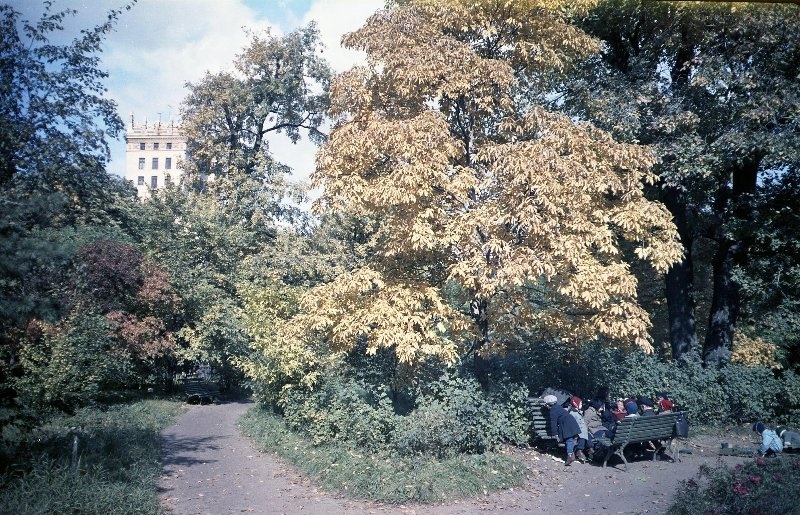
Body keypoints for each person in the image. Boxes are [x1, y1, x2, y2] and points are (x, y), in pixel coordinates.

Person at [543, 394, 585, 466]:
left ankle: (570, 455)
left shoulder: (552, 411)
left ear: (548, 405)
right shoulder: (559, 407)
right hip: (572, 421)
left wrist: (555, 433)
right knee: (572, 439)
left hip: (566, 424)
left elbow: (553, 423)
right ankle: (573, 453)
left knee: (569, 440)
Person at [568, 396, 592, 461]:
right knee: (582, 437)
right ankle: (579, 450)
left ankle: (590, 448)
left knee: (588, 436)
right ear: (576, 404)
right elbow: (573, 424)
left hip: (582, 431)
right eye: (580, 404)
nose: (582, 405)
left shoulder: (578, 412)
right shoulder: (572, 413)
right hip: (575, 431)